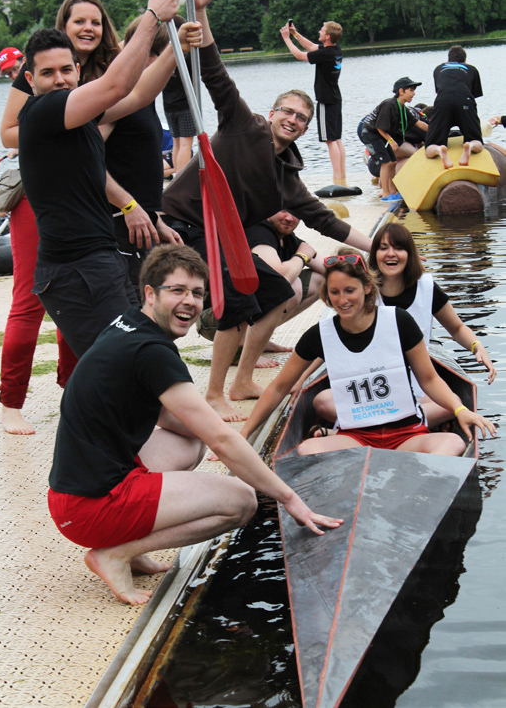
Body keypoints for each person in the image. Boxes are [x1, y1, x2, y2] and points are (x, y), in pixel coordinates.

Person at [47, 244, 343, 606]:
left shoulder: (127, 324)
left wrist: (224, 438)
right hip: (90, 509)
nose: (189, 301)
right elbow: (220, 439)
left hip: (74, 494)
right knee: (241, 501)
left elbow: (181, 421)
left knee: (190, 441)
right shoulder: (152, 352)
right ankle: (115, 553)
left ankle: (132, 548)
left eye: (198, 293)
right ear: (150, 293)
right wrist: (289, 497)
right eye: (178, 290)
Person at [163, 0, 372, 422]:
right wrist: (199, 10)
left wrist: (378, 248)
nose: (294, 119)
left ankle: (240, 380)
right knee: (240, 299)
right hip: (183, 222)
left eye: (301, 116)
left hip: (219, 235)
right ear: (273, 112)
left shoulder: (288, 177)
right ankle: (217, 392)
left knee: (273, 290)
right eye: (288, 111)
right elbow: (215, 72)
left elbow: (325, 221)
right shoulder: (245, 124)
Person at [16, 0, 192, 358]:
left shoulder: (76, 115)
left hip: (99, 257)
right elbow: (116, 85)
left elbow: (137, 94)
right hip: (74, 268)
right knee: (129, 359)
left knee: (133, 356)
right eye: (48, 73)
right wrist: (152, 17)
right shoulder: (43, 112)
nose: (60, 79)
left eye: (67, 70)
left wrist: (178, 45)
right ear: (30, 81)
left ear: (78, 71)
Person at [240, 249, 495, 457]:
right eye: (334, 292)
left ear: (367, 288)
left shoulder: (400, 321)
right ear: (326, 295)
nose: (342, 300)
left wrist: (460, 410)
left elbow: (429, 379)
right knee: (307, 450)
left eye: (349, 290)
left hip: (406, 435)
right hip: (356, 439)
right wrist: (243, 436)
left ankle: (396, 469)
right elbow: (277, 388)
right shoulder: (319, 334)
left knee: (452, 444)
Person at [369, 222, 496, 426]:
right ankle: (409, 421)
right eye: (383, 248)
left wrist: (477, 346)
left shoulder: (425, 287)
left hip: (419, 379)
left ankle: (394, 422)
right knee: (322, 403)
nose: (390, 254)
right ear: (374, 254)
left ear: (410, 254)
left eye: (398, 248)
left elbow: (456, 327)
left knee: (458, 402)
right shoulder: (364, 289)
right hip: (375, 381)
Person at [101, 16, 184, 297]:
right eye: (168, 58)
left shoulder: (143, 96)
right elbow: (84, 160)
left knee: (150, 311)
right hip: (120, 224)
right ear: (148, 54)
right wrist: (128, 208)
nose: (171, 69)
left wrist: (155, 219)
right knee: (135, 312)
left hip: (141, 221)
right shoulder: (117, 98)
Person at [197, 210, 325, 370]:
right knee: (291, 287)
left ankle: (258, 339)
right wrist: (301, 257)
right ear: (269, 208)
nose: (289, 218)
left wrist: (356, 270)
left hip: (239, 311)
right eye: (283, 210)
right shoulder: (258, 233)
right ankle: (243, 348)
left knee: (321, 280)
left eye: (295, 213)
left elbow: (328, 268)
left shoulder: (286, 237)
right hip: (216, 318)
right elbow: (281, 278)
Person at [280, 20, 345, 185]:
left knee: (330, 140)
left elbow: (300, 55)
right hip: (335, 98)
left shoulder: (325, 54)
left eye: (322, 30)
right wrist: (295, 34)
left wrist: (286, 38)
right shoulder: (334, 50)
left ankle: (337, 178)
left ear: (328, 36)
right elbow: (310, 46)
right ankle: (342, 176)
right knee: (336, 139)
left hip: (326, 100)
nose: (319, 31)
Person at [358, 77, 428, 201]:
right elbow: (380, 128)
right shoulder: (389, 104)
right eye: (411, 90)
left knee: (393, 162)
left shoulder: (403, 108)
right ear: (401, 91)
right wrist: (391, 141)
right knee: (386, 162)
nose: (414, 93)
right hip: (370, 133)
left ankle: (393, 191)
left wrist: (435, 130)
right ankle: (385, 193)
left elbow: (418, 124)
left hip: (381, 135)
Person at [425, 45, 483, 169]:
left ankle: (439, 150)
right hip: (465, 99)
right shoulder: (471, 69)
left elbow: (439, 89)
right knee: (477, 141)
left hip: (443, 101)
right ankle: (470, 146)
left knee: (429, 147)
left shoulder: (438, 69)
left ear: (448, 59)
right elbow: (474, 94)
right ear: (465, 61)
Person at [162, 14, 197, 175]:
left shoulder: (164, 55)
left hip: (168, 105)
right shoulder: (188, 54)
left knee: (176, 143)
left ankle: (177, 177)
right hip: (185, 103)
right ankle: (181, 178)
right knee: (185, 144)